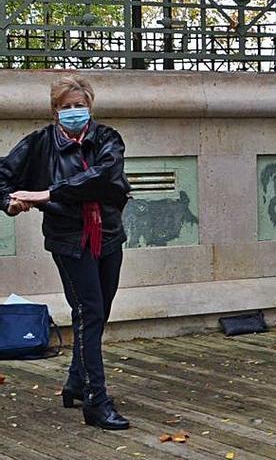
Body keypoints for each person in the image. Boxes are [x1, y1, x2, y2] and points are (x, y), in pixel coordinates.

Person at [0, 75, 132, 428]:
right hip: (70, 240)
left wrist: (46, 194)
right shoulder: (40, 144)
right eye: (66, 106)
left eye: (80, 105)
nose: (74, 112)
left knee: (98, 313)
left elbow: (105, 178)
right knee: (89, 312)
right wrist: (9, 202)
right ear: (55, 110)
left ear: (89, 107)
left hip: (108, 235)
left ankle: (75, 382)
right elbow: (3, 177)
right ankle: (95, 399)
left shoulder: (107, 138)